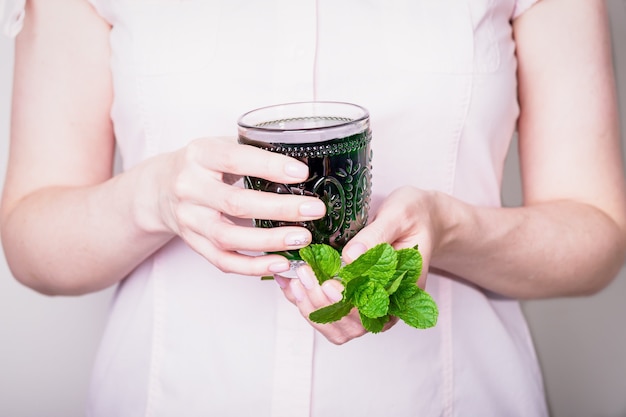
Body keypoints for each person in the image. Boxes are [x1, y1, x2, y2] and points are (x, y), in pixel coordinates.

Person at [2, 0, 625, 415]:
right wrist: (153, 198)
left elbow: (596, 234)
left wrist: (452, 228)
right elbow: (31, 240)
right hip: (170, 394)